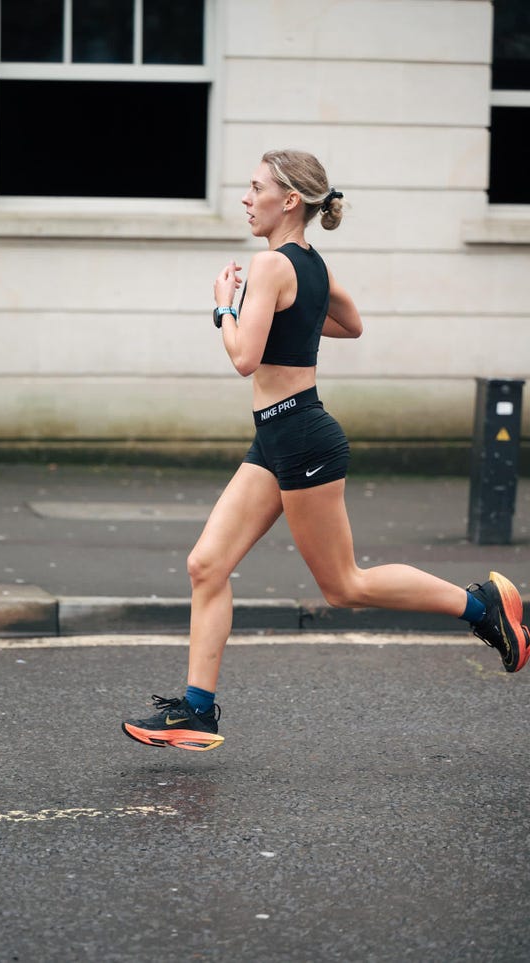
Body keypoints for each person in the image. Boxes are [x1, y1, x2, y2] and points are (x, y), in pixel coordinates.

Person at [121, 148, 530, 752]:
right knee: (206, 565)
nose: (244, 198)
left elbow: (242, 358)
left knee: (344, 586)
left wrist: (222, 306)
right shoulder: (312, 263)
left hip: (303, 436)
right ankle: (197, 711)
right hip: (277, 436)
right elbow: (349, 324)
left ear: (288, 200)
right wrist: (276, 316)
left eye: (254, 187)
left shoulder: (269, 269)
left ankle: (483, 607)